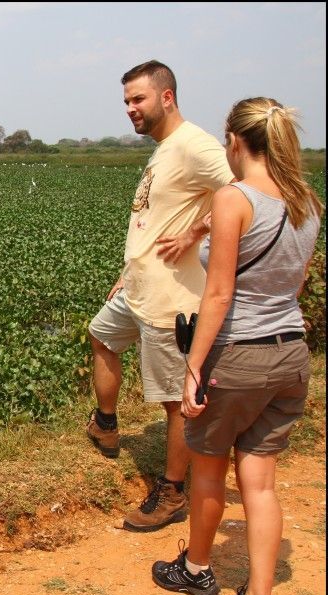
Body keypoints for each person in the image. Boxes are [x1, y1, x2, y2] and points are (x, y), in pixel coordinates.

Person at [151, 98, 321, 595]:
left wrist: (194, 366)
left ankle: (197, 569)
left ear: (235, 141)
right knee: (261, 482)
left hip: (238, 355)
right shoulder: (306, 203)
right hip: (291, 354)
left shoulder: (234, 199)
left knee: (208, 469)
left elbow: (220, 293)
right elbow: (292, 289)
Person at [85, 60, 234, 531]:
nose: (130, 109)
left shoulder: (195, 145)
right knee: (101, 336)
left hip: (173, 300)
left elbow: (245, 192)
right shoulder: (164, 148)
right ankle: (105, 425)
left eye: (138, 99)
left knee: (175, 400)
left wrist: (197, 230)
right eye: (127, 100)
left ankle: (172, 493)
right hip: (139, 287)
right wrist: (129, 272)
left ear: (166, 97)